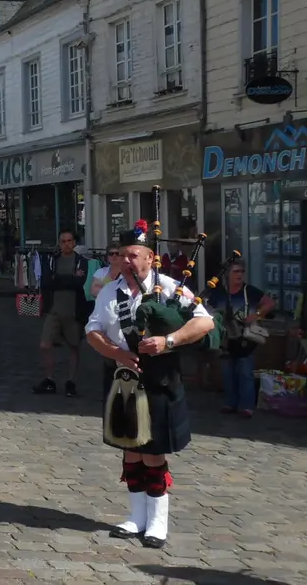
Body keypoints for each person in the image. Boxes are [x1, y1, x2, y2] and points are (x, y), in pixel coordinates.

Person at [85, 220, 214, 549]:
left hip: (159, 376)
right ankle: (136, 517)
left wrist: (169, 341)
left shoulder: (170, 287)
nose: (126, 261)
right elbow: (93, 330)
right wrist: (116, 352)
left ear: (149, 257)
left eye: (133, 255)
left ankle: (157, 522)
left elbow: (205, 321)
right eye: (121, 254)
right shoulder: (110, 291)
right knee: (130, 448)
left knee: (153, 451)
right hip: (121, 376)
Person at [206, 259, 274, 418]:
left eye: (242, 271)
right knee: (227, 372)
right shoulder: (219, 292)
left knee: (245, 371)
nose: (239, 275)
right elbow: (208, 309)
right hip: (226, 338)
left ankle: (246, 406)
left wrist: (256, 314)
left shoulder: (249, 291)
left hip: (245, 338)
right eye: (236, 271)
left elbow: (269, 303)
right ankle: (230, 403)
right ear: (227, 274)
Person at [34, 229, 92, 397]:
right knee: (45, 344)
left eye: (69, 241)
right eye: (63, 241)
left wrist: (60, 279)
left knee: (74, 346)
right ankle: (49, 379)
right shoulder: (53, 260)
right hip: (54, 310)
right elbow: (47, 282)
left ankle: (71, 381)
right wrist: (67, 279)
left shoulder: (81, 261)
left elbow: (78, 282)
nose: (66, 244)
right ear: (59, 244)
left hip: (73, 311)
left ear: (74, 243)